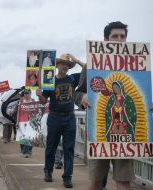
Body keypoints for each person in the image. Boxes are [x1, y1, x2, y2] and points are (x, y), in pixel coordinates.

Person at [74, 21, 135, 190]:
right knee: (96, 181)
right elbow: (76, 94)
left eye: (122, 36)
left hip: (125, 135)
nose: (119, 39)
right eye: (114, 36)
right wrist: (83, 97)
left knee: (123, 180)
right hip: (99, 133)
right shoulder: (91, 64)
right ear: (105, 40)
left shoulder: (137, 65)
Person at [36, 53, 84, 188]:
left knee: (69, 148)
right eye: (63, 64)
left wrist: (76, 60)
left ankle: (67, 177)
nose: (65, 67)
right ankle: (48, 171)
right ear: (57, 65)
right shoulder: (50, 81)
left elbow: (88, 70)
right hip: (55, 116)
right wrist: (40, 95)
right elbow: (44, 101)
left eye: (68, 65)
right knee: (51, 146)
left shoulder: (73, 78)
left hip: (69, 117)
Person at [18, 89, 35, 158]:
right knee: (23, 136)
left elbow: (36, 110)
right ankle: (24, 150)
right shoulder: (21, 101)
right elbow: (18, 111)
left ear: (30, 94)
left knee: (30, 136)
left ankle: (28, 151)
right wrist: (17, 121)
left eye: (28, 93)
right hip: (22, 121)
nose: (26, 95)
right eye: (25, 93)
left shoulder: (33, 101)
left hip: (31, 120)